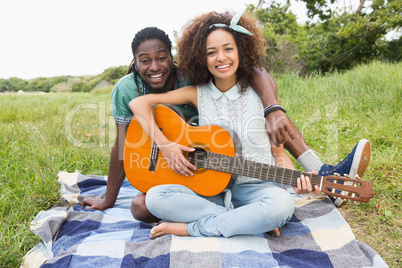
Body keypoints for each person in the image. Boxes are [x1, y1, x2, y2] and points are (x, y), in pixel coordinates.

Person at [81, 20, 370, 215]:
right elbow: (122, 143)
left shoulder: (190, 77)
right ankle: (239, 215)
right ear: (134, 62)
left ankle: (320, 172)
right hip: (169, 163)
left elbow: (253, 72)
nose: (155, 66)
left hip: (216, 156)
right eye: (145, 60)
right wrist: (109, 198)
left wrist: (272, 112)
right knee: (142, 207)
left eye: (162, 58)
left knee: (273, 118)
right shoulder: (125, 89)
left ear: (173, 57)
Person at [128, 9, 323, 238]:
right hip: (213, 191)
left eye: (228, 49)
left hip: (258, 189)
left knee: (282, 205)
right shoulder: (196, 93)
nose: (221, 58)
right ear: (202, 58)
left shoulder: (261, 93)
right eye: (212, 52)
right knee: (155, 197)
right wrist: (165, 145)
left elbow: (278, 153)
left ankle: (193, 228)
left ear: (241, 50)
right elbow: (139, 104)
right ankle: (246, 220)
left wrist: (295, 180)